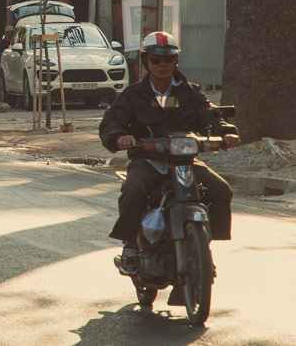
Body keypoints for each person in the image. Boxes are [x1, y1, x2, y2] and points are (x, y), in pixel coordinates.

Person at [98, 31, 239, 289]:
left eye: (169, 59)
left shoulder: (190, 92)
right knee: (133, 190)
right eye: (156, 60)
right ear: (145, 61)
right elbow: (111, 123)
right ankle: (130, 246)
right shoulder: (133, 95)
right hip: (147, 161)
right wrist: (120, 137)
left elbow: (210, 115)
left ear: (176, 61)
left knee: (221, 190)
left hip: (184, 161)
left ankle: (202, 248)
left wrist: (225, 132)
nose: (163, 65)